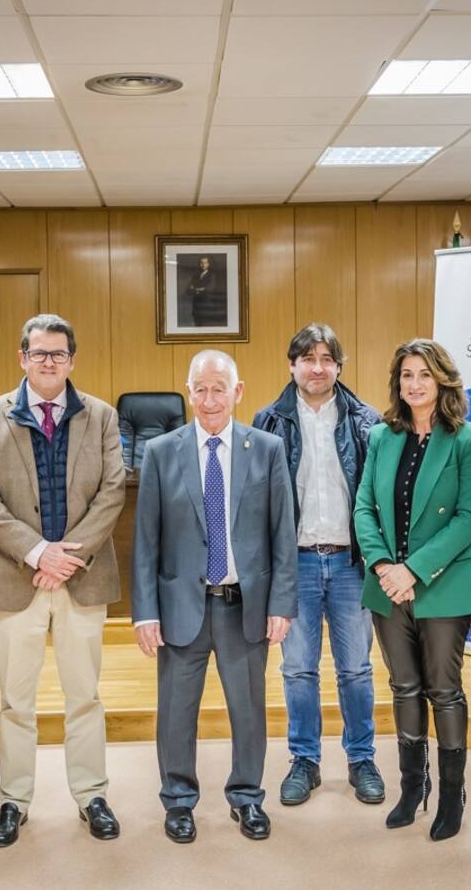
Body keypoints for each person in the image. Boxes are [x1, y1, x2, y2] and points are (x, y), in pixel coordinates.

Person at [0, 314, 126, 847]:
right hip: (17, 579)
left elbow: (112, 493)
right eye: (39, 354)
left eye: (58, 354)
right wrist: (37, 553)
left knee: (85, 696)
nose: (49, 362)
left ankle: (92, 795)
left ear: (72, 360)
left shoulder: (101, 416)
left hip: (80, 578)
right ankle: (14, 800)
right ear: (23, 358)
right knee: (16, 700)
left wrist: (66, 558)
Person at [132, 350, 297, 843]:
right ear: (188, 392)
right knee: (176, 710)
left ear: (237, 392)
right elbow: (146, 541)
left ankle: (246, 798)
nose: (208, 400)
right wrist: (144, 613)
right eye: (199, 389)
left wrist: (282, 604)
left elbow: (282, 535)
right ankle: (178, 800)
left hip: (243, 606)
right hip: (182, 606)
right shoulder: (161, 452)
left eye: (218, 389)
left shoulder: (265, 448)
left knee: (248, 710)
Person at [353, 339, 471, 840]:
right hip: (387, 585)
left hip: (445, 581)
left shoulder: (468, 438)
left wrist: (412, 569)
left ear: (443, 382)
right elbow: (364, 508)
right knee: (403, 686)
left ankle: (452, 793)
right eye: (406, 375)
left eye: (424, 375)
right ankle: (413, 787)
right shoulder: (380, 437)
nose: (414, 384)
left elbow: (468, 518)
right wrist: (381, 564)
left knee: (443, 687)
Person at [252, 323, 384, 807]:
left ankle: (361, 759)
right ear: (292, 365)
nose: (317, 367)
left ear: (339, 367)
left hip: (351, 563)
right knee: (298, 670)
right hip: (297, 563)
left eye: (327, 358)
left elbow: (376, 500)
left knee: (356, 669)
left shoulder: (365, 420)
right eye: (307, 358)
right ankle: (304, 760)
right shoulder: (267, 422)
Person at [186, 255, 226, 327]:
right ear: (199, 264)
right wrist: (200, 289)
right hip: (196, 306)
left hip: (206, 305)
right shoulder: (196, 275)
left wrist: (195, 289)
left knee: (205, 325)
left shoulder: (211, 275)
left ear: (208, 264)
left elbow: (209, 289)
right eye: (201, 263)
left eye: (205, 262)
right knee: (197, 325)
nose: (203, 265)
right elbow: (188, 290)